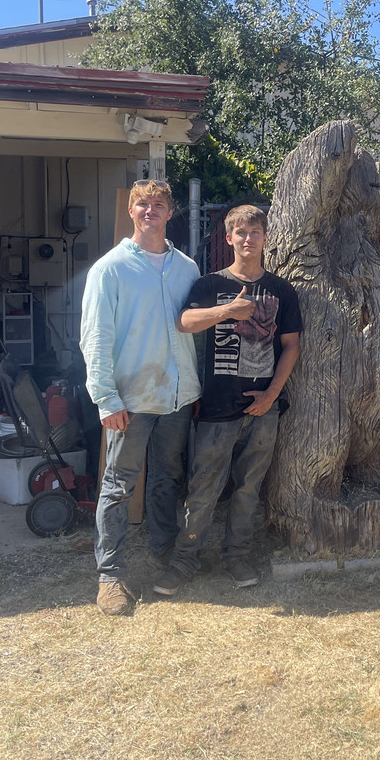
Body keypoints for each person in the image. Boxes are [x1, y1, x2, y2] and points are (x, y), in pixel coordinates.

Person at [154, 204, 301, 593]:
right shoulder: (209, 284)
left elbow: (291, 346)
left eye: (255, 232)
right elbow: (184, 322)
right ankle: (184, 560)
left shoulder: (282, 290)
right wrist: (229, 311)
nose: (248, 239)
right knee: (203, 488)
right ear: (229, 238)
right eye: (241, 232)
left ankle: (236, 556)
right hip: (217, 408)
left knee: (248, 489)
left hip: (263, 409)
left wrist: (272, 394)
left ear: (265, 238)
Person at [80, 179, 201, 616]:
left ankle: (164, 549)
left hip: (177, 396)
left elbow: (194, 329)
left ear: (170, 212)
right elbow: (95, 336)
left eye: (159, 204)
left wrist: (196, 387)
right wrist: (105, 398)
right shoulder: (110, 269)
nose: (151, 211)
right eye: (143, 204)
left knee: (168, 478)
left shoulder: (187, 268)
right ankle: (110, 576)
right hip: (129, 400)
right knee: (117, 487)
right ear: (131, 211)